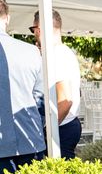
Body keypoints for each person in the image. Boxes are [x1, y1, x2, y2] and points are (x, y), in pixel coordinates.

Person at [0, 0, 46, 174]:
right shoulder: (30, 51)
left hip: (2, 147)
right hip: (31, 140)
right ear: (6, 17)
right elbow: (39, 98)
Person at [31, 9, 82, 159]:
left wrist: (46, 130)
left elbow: (65, 100)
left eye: (33, 30)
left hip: (61, 127)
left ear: (39, 29)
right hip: (68, 124)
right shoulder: (64, 51)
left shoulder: (56, 55)